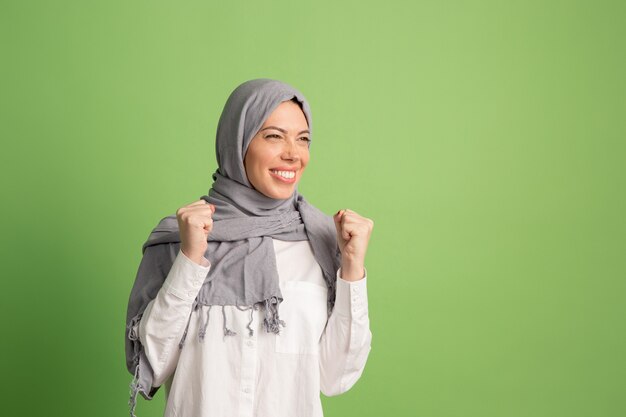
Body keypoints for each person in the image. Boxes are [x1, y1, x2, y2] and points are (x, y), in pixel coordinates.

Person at [125, 78, 374, 417]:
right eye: (273, 136)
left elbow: (336, 377)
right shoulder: (181, 238)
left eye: (303, 139)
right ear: (237, 141)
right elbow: (152, 363)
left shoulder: (321, 242)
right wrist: (190, 260)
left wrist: (353, 269)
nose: (293, 154)